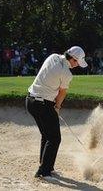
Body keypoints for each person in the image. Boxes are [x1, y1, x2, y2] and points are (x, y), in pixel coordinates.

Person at [26, 46, 87, 179]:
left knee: (47, 135)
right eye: (77, 62)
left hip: (30, 101)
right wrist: (57, 107)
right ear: (73, 59)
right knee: (54, 138)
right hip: (43, 104)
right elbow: (62, 92)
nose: (76, 66)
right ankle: (43, 172)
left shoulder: (52, 57)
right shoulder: (67, 73)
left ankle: (46, 166)